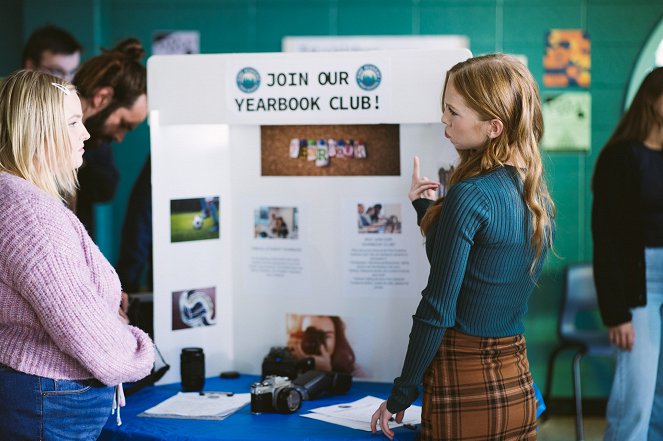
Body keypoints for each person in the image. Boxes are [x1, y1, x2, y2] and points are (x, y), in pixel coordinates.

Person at [371, 54, 555, 440]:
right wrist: (425, 207)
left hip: (465, 382)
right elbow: (478, 273)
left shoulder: (470, 195)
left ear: (493, 126)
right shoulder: (530, 190)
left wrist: (402, 393)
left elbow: (437, 308)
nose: (443, 119)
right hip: (517, 383)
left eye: (452, 111)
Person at [0, 70, 155, 439]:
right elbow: (84, 332)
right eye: (72, 123)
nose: (85, 134)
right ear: (36, 130)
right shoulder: (29, 213)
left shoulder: (18, 199)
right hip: (50, 404)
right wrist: (139, 350)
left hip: (41, 397)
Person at [592, 66, 663, 441]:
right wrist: (617, 313)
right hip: (640, 286)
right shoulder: (620, 158)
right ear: (652, 101)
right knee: (634, 400)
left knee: (661, 400)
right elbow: (605, 240)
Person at [73, 38, 148, 235]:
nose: (120, 137)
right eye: (123, 125)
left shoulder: (93, 145)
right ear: (102, 97)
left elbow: (106, 188)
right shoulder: (44, 134)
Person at [287, 315, 357, 375]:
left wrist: (326, 372)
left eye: (326, 336)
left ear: (337, 339)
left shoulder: (355, 372)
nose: (317, 342)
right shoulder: (290, 361)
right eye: (310, 335)